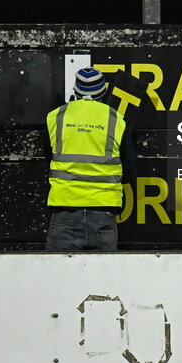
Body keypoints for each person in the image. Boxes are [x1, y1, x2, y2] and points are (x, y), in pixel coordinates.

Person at [44, 67, 135, 251]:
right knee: (103, 278)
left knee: (56, 278)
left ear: (76, 92)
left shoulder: (56, 117)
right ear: (103, 92)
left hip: (64, 214)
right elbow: (130, 171)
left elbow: (48, 161)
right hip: (103, 215)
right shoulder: (116, 120)